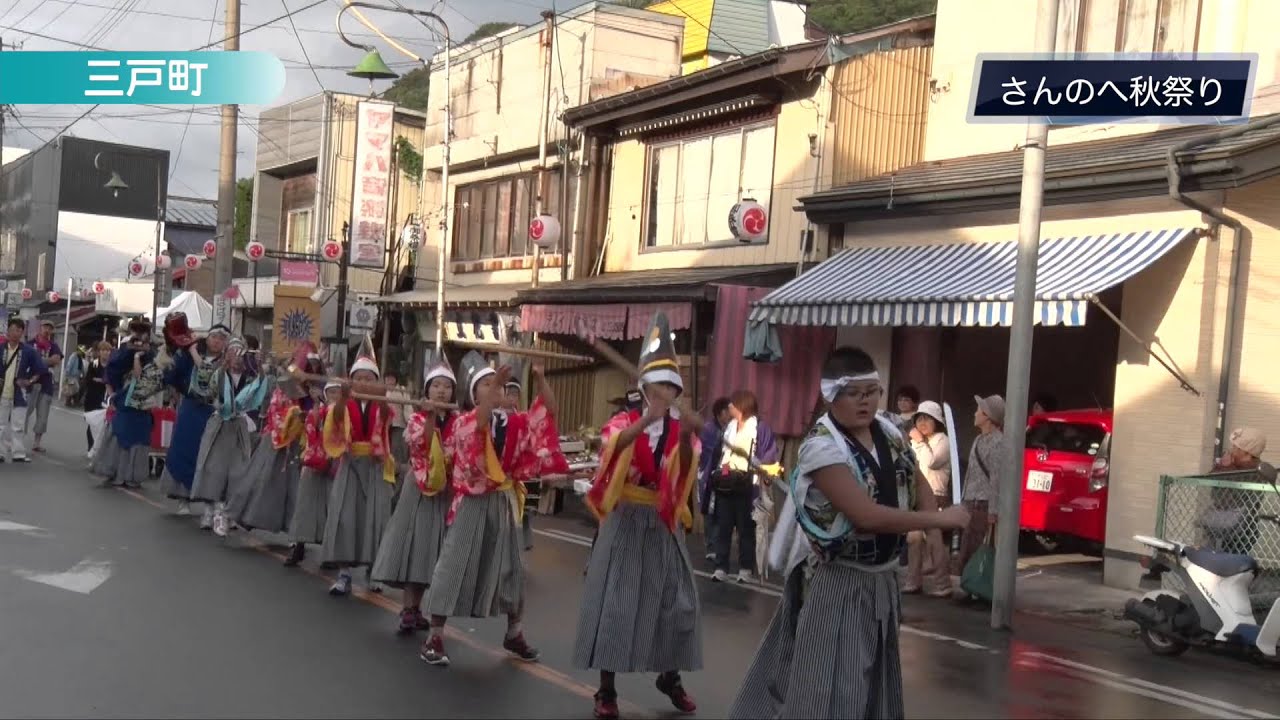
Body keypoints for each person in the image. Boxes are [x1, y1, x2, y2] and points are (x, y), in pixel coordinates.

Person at [729, 346, 969, 719]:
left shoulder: (888, 430)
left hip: (882, 582)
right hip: (838, 583)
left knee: (871, 690)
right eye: (854, 394)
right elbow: (866, 516)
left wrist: (935, 533)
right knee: (829, 692)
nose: (866, 402)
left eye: (872, 392)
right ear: (831, 396)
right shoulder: (821, 447)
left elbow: (917, 477)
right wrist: (941, 521)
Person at [575, 312, 702, 720]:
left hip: (662, 524)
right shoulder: (625, 421)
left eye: (672, 385)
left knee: (676, 604)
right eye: (660, 384)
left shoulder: (681, 429)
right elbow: (614, 447)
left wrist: (683, 438)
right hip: (626, 519)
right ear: (646, 388)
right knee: (618, 604)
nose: (666, 390)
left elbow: (682, 471)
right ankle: (606, 690)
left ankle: (671, 675)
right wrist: (647, 419)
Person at [418, 351, 568, 668]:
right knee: (454, 564)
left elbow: (548, 414)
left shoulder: (514, 422)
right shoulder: (465, 421)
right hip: (471, 501)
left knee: (511, 568)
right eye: (485, 384)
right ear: (473, 394)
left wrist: (540, 377)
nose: (494, 388)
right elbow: (479, 426)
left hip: (501, 500)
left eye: (497, 384)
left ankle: (514, 631)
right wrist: (497, 380)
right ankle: (435, 635)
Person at [371, 358, 457, 635]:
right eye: (436, 386)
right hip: (419, 489)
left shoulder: (458, 421)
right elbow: (422, 443)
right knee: (415, 546)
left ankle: (417, 608)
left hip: (444, 492)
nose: (442, 391)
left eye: (446, 386)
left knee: (432, 551)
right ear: (427, 391)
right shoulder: (418, 418)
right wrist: (431, 416)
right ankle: (408, 608)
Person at [320, 351, 396, 596]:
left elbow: (386, 418)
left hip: (374, 465)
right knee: (346, 516)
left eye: (369, 378)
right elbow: (337, 419)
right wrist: (342, 397)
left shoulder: (382, 404)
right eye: (359, 378)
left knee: (375, 517)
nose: (364, 382)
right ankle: (344, 573)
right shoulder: (346, 403)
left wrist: (382, 396)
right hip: (351, 462)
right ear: (351, 380)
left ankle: (374, 572)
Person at [230, 344, 324, 537]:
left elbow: (322, 415)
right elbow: (275, 409)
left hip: (302, 442)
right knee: (260, 480)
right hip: (277, 439)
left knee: (296, 489)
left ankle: (296, 531)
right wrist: (291, 419)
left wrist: (314, 404)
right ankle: (240, 514)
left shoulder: (316, 389)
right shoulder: (283, 386)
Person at [189, 337, 262, 537]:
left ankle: (227, 512)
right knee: (212, 467)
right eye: (232, 351)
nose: (236, 356)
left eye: (240, 352)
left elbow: (258, 398)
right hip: (220, 423)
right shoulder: (219, 374)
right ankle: (209, 509)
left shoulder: (251, 377)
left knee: (237, 470)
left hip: (239, 425)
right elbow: (207, 392)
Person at [163, 319, 228, 517]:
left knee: (209, 456)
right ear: (207, 338)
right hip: (190, 408)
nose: (217, 341)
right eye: (214, 337)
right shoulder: (189, 354)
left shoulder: (226, 362)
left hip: (213, 412)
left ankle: (209, 500)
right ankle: (183, 499)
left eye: (222, 339)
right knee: (184, 449)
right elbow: (171, 376)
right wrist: (176, 396)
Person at [712, 389, 779, 583]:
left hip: (747, 483)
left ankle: (745, 568)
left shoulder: (759, 427)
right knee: (723, 526)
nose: (730, 407)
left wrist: (763, 470)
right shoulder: (729, 427)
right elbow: (722, 453)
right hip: (726, 481)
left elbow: (769, 453)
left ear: (742, 406)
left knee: (745, 528)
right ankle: (720, 566)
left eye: (733, 404)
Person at [954, 394, 1007, 601]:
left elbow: (996, 479)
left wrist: (994, 511)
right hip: (971, 500)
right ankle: (970, 587)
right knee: (968, 545)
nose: (975, 413)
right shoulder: (978, 439)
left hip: (984, 503)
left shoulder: (999, 443)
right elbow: (971, 473)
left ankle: (980, 590)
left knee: (980, 546)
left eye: (979, 411)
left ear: (988, 417)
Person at [284, 380, 343, 567]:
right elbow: (311, 430)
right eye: (331, 392)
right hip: (315, 461)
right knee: (304, 506)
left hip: (335, 464)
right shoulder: (317, 411)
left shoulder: (344, 415)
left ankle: (330, 552)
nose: (334, 396)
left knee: (333, 508)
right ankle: (298, 545)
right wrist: (317, 406)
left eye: (338, 393)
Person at [101, 318, 163, 488]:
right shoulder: (123, 351)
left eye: (143, 331)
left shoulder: (153, 353)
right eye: (136, 330)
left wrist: (142, 354)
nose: (140, 335)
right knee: (120, 434)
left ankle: (133, 475)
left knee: (139, 438)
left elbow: (156, 376)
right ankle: (114, 472)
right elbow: (110, 372)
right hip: (125, 401)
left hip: (143, 404)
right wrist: (112, 395)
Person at [905, 400, 953, 597]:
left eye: (927, 419)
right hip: (917, 496)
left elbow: (931, 462)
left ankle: (943, 584)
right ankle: (913, 581)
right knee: (913, 540)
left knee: (934, 540)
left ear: (937, 421)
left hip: (935, 496)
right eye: (919, 419)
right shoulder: (917, 441)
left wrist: (918, 442)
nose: (922, 423)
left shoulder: (942, 440)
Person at [1204, 427, 1267, 556]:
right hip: (1218, 523)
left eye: (1236, 448)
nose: (1231, 451)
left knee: (1228, 567)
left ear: (1247, 453)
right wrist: (1222, 466)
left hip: (1240, 530)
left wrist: (1225, 468)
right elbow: (1211, 487)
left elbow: (1230, 497)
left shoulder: (1258, 472)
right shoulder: (1233, 466)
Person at [0, 318, 47, 463]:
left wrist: (30, 381)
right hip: (2, 392)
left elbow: (40, 369)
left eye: (20, 330)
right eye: (14, 329)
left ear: (23, 332)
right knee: (0, 425)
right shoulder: (1, 348)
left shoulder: (28, 351)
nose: (16, 333)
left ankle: (18, 453)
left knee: (18, 426)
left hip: (20, 393)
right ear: (8, 330)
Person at [698, 397, 731, 562]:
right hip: (708, 474)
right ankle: (711, 546)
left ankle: (719, 545)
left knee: (721, 509)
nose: (730, 414)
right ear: (719, 413)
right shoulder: (709, 429)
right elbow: (705, 453)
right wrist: (706, 471)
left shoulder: (730, 429)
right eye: (727, 411)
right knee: (709, 510)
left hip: (724, 473)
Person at [82, 342, 112, 454]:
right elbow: (88, 380)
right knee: (92, 423)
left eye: (108, 350)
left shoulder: (111, 365)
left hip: (105, 399)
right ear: (99, 352)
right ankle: (91, 447)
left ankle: (99, 449)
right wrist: (101, 381)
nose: (106, 353)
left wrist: (100, 380)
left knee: (103, 425)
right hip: (92, 398)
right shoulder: (93, 364)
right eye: (103, 350)